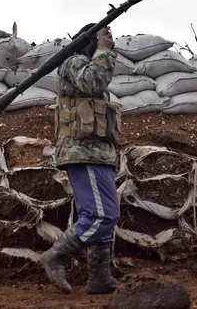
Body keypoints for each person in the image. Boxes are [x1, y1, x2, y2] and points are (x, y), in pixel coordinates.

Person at [38, 23, 122, 295]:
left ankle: (100, 277)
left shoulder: (86, 63)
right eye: (104, 39)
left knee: (100, 216)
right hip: (82, 152)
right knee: (102, 214)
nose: (110, 46)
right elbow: (95, 81)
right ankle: (56, 255)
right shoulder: (73, 63)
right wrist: (103, 50)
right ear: (91, 41)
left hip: (96, 154)